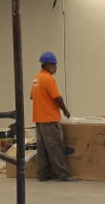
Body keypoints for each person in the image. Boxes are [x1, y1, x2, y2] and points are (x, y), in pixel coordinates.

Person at [30, 51, 75, 182]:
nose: (56, 68)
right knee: (55, 148)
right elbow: (57, 98)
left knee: (42, 149)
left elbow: (32, 96)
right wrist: (65, 111)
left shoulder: (36, 79)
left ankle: (43, 174)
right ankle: (62, 175)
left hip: (38, 120)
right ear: (48, 65)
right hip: (49, 119)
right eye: (54, 65)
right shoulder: (48, 79)